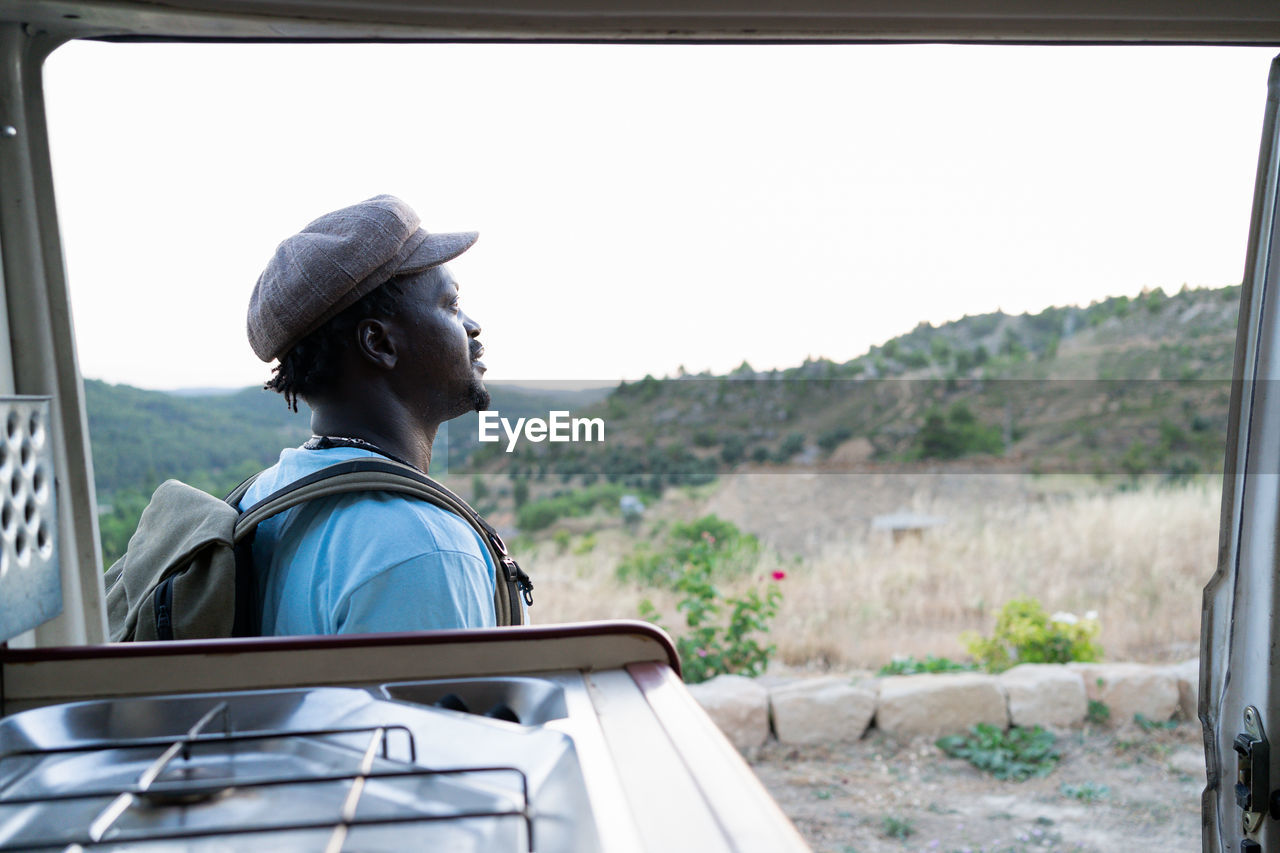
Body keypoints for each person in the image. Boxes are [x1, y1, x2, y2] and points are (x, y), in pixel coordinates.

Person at [242, 194, 499, 635]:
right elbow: (445, 708)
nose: (472, 326)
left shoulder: (266, 494)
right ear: (379, 344)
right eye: (451, 305)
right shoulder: (423, 550)